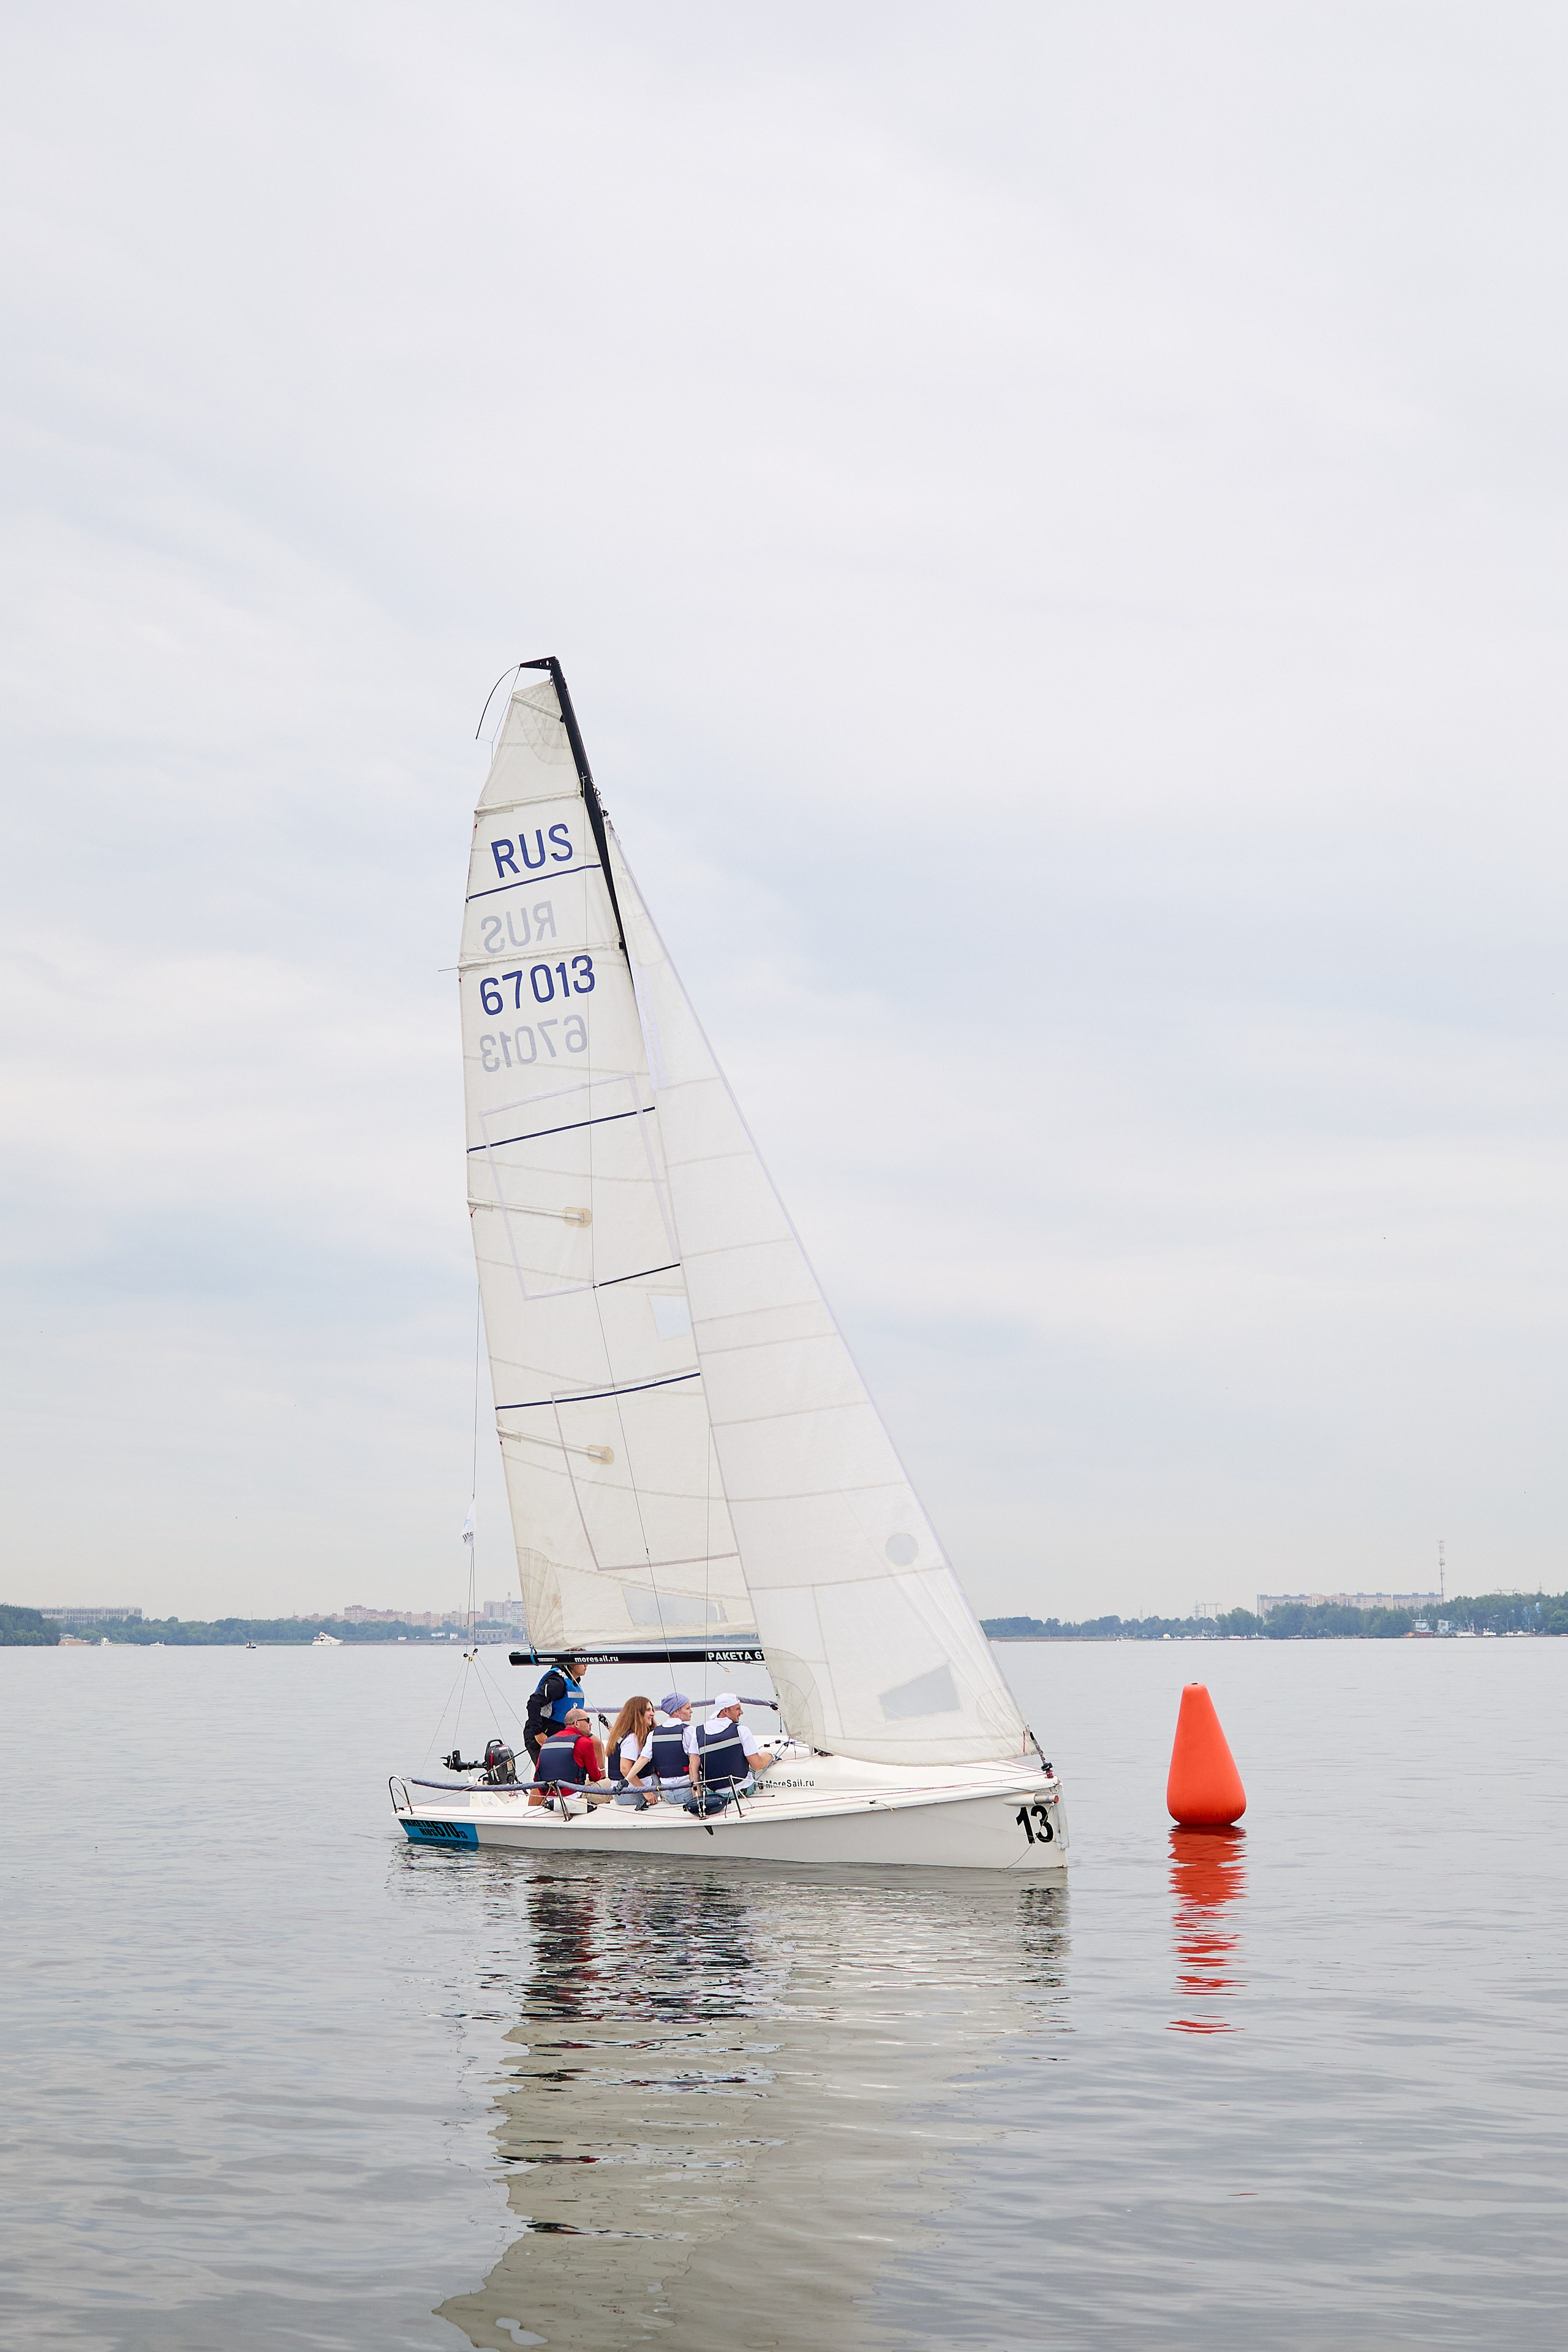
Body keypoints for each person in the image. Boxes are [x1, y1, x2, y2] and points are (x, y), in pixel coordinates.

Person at [692, 1694, 774, 1810]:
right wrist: (770, 1756)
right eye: (738, 1709)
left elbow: (693, 1767)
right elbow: (757, 1765)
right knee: (758, 1761)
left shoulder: (697, 1733)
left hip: (715, 1796)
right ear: (725, 1711)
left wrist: (699, 1799)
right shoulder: (741, 1730)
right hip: (742, 1791)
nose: (741, 1712)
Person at [529, 1707, 611, 1806]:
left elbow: (537, 1777)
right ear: (577, 1723)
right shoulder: (585, 1742)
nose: (590, 1724)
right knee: (612, 1784)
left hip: (550, 1797)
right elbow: (595, 1777)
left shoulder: (547, 1742)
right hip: (574, 1797)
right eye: (588, 1720)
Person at [523, 1657, 585, 1765]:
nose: (587, 1665)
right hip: (543, 1734)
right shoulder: (557, 1683)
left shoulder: (573, 1683)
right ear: (571, 1664)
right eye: (582, 1661)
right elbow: (533, 1703)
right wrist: (538, 1733)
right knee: (550, 1773)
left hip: (562, 1734)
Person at [643, 1692, 699, 1803]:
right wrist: (697, 1797)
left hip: (666, 1793)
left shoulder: (653, 1734)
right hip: (687, 1791)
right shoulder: (689, 1731)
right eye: (688, 1708)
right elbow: (694, 1765)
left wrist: (627, 1780)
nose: (691, 1711)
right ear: (676, 1712)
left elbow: (643, 1759)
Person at [607, 1695, 658, 1807]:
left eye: (652, 1710)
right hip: (629, 1794)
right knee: (660, 1778)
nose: (653, 1714)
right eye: (648, 1710)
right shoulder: (632, 1739)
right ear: (638, 1714)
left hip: (619, 1794)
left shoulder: (619, 1735)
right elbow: (625, 1769)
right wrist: (646, 1792)